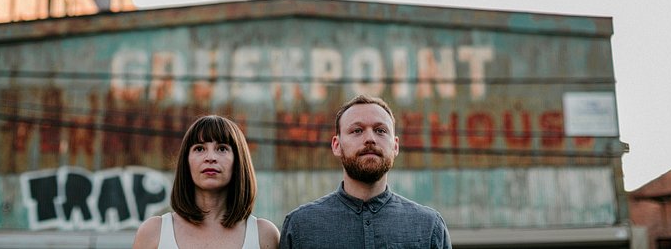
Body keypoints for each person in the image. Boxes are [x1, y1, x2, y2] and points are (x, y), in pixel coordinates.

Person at [280, 95, 451, 249]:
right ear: (336, 145)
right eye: (357, 130)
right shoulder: (300, 227)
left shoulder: (429, 227)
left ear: (395, 146)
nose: (370, 138)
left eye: (380, 131)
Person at [132, 115, 279, 249]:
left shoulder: (265, 235)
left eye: (222, 148)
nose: (210, 157)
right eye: (199, 148)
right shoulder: (153, 232)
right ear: (186, 162)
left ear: (238, 161)